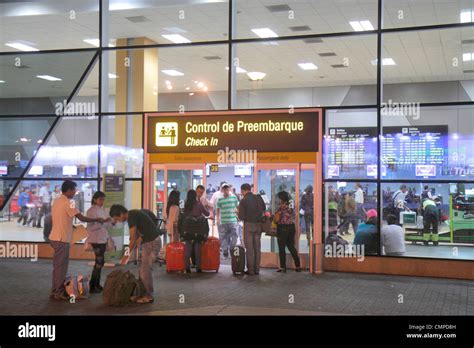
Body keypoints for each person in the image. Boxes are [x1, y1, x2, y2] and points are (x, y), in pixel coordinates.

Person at [49, 180, 106, 301]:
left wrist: (71, 226)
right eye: (74, 190)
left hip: (55, 237)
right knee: (61, 267)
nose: (75, 192)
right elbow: (81, 217)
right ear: (69, 190)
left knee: (57, 266)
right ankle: (58, 292)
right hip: (61, 239)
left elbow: (62, 218)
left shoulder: (57, 200)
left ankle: (55, 290)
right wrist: (97, 220)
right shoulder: (69, 202)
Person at [109, 204, 160, 304]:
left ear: (121, 214)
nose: (118, 221)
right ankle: (141, 294)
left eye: (117, 218)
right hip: (150, 242)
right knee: (143, 270)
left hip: (152, 243)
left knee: (145, 270)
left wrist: (125, 256)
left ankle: (149, 296)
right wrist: (139, 239)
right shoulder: (133, 214)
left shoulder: (131, 216)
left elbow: (132, 239)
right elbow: (136, 236)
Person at [86, 191, 113, 293]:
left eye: (103, 199)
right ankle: (93, 285)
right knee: (99, 262)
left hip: (102, 239)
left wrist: (109, 222)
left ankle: (96, 284)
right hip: (95, 239)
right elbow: (90, 228)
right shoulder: (91, 211)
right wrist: (101, 222)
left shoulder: (101, 210)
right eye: (100, 199)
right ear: (95, 200)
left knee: (100, 262)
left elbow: (105, 225)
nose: (102, 201)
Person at [238, 183, 266, 275]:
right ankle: (257, 269)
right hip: (258, 226)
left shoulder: (244, 200)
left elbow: (241, 216)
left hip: (249, 226)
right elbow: (264, 209)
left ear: (243, 190)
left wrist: (236, 212)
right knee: (257, 248)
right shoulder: (258, 198)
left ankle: (251, 270)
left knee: (250, 249)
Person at [180, 189, 209, 273]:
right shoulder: (199, 204)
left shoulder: (186, 205)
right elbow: (206, 214)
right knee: (197, 248)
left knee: (188, 249)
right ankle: (198, 268)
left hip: (188, 229)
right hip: (198, 229)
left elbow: (184, 216)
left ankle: (187, 267)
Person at [274, 191, 301, 273]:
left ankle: (283, 267)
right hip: (291, 227)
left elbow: (277, 219)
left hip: (282, 228)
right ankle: (298, 266)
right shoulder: (291, 205)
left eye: (279, 197)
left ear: (282, 198)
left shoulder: (281, 207)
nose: (278, 199)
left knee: (282, 248)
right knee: (291, 247)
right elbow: (294, 214)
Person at [216, 183, 239, 258]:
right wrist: (217, 219)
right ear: (222, 190)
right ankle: (225, 250)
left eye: (227, 189)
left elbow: (237, 207)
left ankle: (232, 249)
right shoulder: (220, 199)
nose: (226, 190)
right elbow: (218, 209)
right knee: (224, 237)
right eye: (224, 189)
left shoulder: (234, 198)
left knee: (235, 236)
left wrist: (238, 215)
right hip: (223, 221)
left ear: (229, 189)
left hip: (233, 221)